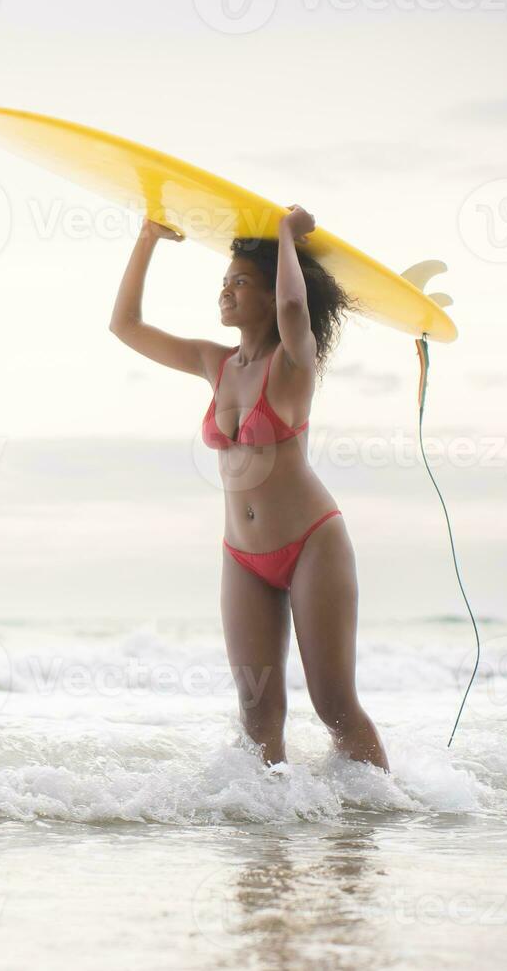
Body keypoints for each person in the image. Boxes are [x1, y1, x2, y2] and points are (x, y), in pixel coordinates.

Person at [108, 208, 388, 770]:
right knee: (257, 711)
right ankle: (268, 843)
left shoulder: (294, 363)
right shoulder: (217, 364)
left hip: (312, 543)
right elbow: (126, 326)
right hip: (242, 555)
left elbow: (292, 308)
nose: (227, 291)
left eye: (241, 281)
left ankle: (372, 823)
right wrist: (148, 238)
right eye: (224, 281)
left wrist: (286, 235)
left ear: (268, 295)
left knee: (334, 706)